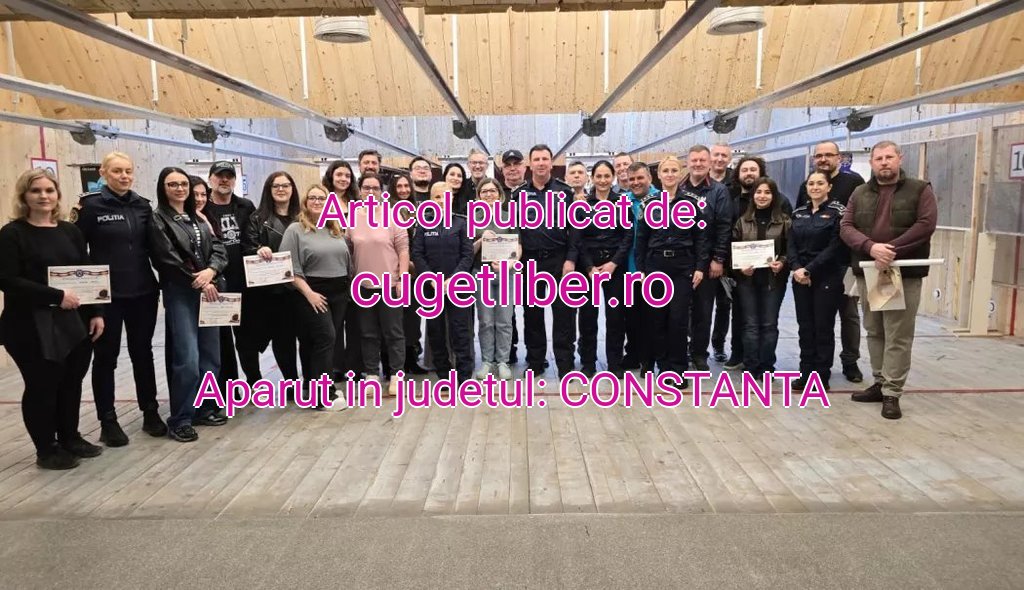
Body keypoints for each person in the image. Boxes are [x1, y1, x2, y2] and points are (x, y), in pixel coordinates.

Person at [0, 169, 105, 469]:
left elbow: (87, 272)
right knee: (42, 385)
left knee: (71, 381)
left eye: (49, 190)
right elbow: (7, 279)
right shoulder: (12, 234)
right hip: (30, 324)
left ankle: (70, 437)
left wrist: (96, 312)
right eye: (36, 191)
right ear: (24, 196)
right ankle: (46, 449)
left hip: (72, 321)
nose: (43, 196)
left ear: (57, 195)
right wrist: (56, 296)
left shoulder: (70, 231)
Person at [72, 151, 164, 446]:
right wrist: (92, 303)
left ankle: (150, 411)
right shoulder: (90, 207)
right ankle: (108, 420)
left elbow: (156, 249)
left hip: (143, 293)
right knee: (106, 358)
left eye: (128, 171)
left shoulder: (143, 206)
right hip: (106, 297)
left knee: (143, 353)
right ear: (103, 173)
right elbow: (77, 254)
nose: (124, 176)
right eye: (117, 171)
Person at [841, 140, 937, 420]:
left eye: (889, 157)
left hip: (902, 272)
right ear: (872, 163)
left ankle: (892, 392)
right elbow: (846, 226)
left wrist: (890, 250)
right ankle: (880, 382)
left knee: (898, 333)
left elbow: (926, 225)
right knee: (874, 330)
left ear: (899, 159)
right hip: (871, 271)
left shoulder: (920, 189)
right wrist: (871, 247)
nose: (884, 162)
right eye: (879, 158)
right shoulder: (860, 193)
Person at [148, 167, 227, 443]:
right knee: (188, 359)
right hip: (182, 293)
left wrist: (212, 271)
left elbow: (219, 248)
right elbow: (166, 258)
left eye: (183, 184)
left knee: (210, 358)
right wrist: (199, 280)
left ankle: (204, 408)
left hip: (209, 290)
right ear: (163, 188)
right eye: (173, 184)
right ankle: (180, 418)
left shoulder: (198, 217)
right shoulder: (158, 219)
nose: (179, 188)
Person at [797, 141, 867, 383]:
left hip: (843, 262)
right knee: (812, 322)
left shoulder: (854, 182)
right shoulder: (805, 187)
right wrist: (801, 266)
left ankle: (850, 362)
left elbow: (860, 221)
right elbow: (798, 224)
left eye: (828, 155)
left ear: (839, 157)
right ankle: (809, 369)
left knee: (848, 314)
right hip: (809, 267)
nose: (823, 159)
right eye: (819, 155)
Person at [636, 158, 709, 388]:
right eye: (665, 171)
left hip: (682, 267)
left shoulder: (692, 203)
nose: (669, 174)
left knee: (678, 320)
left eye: (673, 170)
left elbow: (701, 238)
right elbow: (641, 240)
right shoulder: (649, 204)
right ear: (658, 175)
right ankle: (663, 366)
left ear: (680, 173)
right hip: (656, 265)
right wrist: (641, 270)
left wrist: (700, 267)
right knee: (657, 319)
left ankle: (678, 369)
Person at [280, 185, 352, 410]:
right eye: (313, 198)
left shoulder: (335, 228)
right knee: (325, 338)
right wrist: (309, 293)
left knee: (318, 342)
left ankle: (315, 389)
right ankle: (323, 395)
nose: (318, 202)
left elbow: (345, 260)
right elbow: (289, 268)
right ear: (305, 202)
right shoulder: (295, 230)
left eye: (322, 198)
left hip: (339, 292)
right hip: (311, 291)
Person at [721, 156, 793, 369]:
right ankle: (751, 366)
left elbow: (791, 249)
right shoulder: (742, 221)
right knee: (750, 325)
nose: (762, 196)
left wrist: (782, 262)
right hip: (747, 280)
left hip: (773, 280)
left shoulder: (784, 221)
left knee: (769, 324)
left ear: (774, 195)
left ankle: (767, 366)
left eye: (767, 192)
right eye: (758, 192)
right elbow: (732, 248)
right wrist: (738, 266)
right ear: (752, 196)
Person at [514, 144, 578, 378]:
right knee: (532, 315)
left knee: (564, 315)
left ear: (551, 163)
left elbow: (575, 229)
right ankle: (536, 362)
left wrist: (571, 260)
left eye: (545, 159)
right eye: (537, 159)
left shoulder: (565, 192)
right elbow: (515, 229)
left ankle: (565, 363)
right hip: (530, 263)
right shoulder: (519, 194)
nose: (541, 163)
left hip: (558, 261)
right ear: (530, 164)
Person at [348, 173, 409, 396]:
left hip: (390, 285)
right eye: (366, 188)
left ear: (382, 192)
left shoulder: (393, 216)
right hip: (363, 286)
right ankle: (372, 374)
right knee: (368, 333)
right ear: (360, 191)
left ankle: (397, 374)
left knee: (394, 332)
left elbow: (403, 250)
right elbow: (348, 249)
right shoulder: (352, 218)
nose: (371, 192)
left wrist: (402, 278)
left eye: (375, 188)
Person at [240, 171, 301, 385]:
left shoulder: (301, 217)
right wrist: (258, 249)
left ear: (293, 189)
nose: (281, 189)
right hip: (265, 291)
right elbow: (247, 247)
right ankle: (254, 382)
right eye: (276, 186)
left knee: (286, 339)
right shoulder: (256, 219)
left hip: (294, 289)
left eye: (285, 185)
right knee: (252, 340)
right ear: (269, 189)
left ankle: (292, 382)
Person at [204, 161, 256, 412]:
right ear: (211, 179)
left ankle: (254, 382)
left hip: (244, 282)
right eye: (219, 176)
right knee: (222, 340)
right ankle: (229, 388)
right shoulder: (202, 207)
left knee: (246, 339)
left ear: (235, 180)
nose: (224, 180)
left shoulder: (246, 206)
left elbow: (254, 238)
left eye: (229, 176)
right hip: (217, 285)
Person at [788, 171, 846, 391]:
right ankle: (805, 373)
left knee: (823, 327)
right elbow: (791, 244)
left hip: (826, 276)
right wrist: (796, 268)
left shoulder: (838, 212)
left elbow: (835, 247)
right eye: (811, 183)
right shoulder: (799, 213)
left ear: (828, 187)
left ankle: (821, 376)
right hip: (800, 277)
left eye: (820, 183)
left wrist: (809, 270)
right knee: (805, 327)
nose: (815, 187)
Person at [413, 182, 475, 381]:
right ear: (431, 200)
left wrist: (453, 279)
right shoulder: (423, 224)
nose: (442, 201)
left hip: (457, 286)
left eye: (446, 196)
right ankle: (444, 374)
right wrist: (431, 279)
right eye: (437, 197)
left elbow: (467, 255)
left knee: (460, 331)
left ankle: (464, 376)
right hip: (431, 287)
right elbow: (417, 254)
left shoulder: (462, 223)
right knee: (436, 331)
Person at [576, 160, 629, 377]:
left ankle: (615, 362)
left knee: (615, 316)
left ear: (613, 177)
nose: (603, 180)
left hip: (614, 266)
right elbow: (578, 238)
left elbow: (627, 236)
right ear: (592, 178)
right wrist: (589, 267)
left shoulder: (622, 203)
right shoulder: (583, 204)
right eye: (599, 176)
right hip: (588, 267)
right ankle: (588, 362)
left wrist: (613, 263)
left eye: (607, 176)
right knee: (588, 316)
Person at [683, 145, 732, 372]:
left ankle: (699, 353)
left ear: (709, 163)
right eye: (694, 160)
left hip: (708, 260)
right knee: (681, 309)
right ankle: (682, 348)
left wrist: (718, 258)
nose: (698, 164)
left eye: (702, 160)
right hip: (682, 260)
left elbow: (724, 226)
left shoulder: (719, 191)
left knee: (703, 310)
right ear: (688, 162)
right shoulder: (678, 188)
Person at [472, 178, 519, 380]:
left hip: (506, 273)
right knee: (485, 320)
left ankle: (503, 361)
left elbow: (518, 246)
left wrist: (510, 264)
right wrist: (482, 239)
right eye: (484, 191)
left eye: (492, 191)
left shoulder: (509, 217)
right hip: (481, 273)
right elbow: (467, 251)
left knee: (505, 320)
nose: (489, 194)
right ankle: (486, 361)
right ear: (478, 196)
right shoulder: (473, 219)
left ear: (500, 195)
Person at [322, 160, 363, 380]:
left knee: (356, 322)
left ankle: (355, 366)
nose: (343, 179)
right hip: (333, 268)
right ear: (331, 176)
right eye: (339, 175)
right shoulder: (322, 201)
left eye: (347, 176)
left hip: (357, 267)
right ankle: (336, 367)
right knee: (335, 322)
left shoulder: (357, 203)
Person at [621, 161, 660, 373]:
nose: (636, 182)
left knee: (651, 316)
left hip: (652, 269)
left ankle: (648, 358)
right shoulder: (623, 202)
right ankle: (633, 354)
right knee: (631, 316)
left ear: (650, 178)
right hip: (628, 268)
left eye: (640, 178)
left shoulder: (661, 201)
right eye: (632, 179)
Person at [390, 172, 429, 375]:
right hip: (393, 273)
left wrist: (417, 264)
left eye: (407, 186)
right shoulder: (387, 212)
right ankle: (393, 363)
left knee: (413, 320)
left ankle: (411, 359)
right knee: (394, 321)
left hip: (415, 275)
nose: (404, 190)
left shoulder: (416, 212)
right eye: (399, 186)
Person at [498, 149, 526, 365]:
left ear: (524, 167)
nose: (512, 168)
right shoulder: (498, 195)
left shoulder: (532, 191)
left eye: (516, 164)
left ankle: (535, 353)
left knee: (532, 308)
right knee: (507, 309)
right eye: (508, 165)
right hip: (504, 261)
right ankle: (509, 350)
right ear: (502, 169)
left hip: (530, 257)